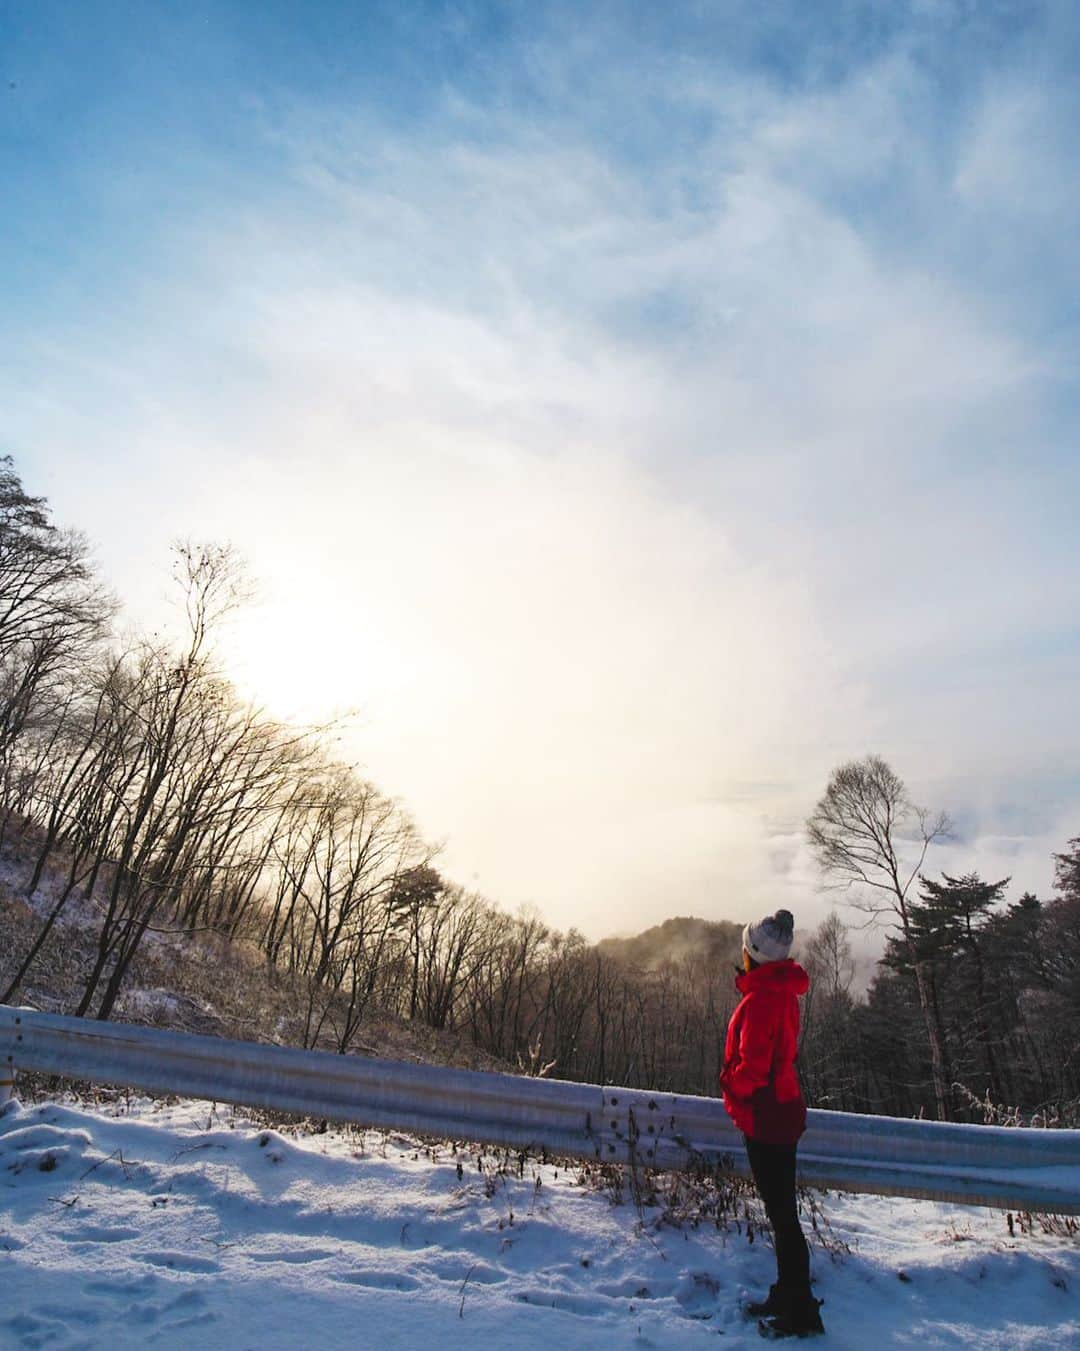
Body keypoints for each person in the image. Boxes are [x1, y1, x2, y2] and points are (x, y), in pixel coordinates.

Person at [720, 909, 824, 1339]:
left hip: (766, 1115)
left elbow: (753, 1068)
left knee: (782, 1215)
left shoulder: (761, 1000)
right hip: (783, 1108)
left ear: (755, 955)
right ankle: (789, 1294)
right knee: (783, 1213)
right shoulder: (781, 992)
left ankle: (800, 1312)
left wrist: (728, 1083)